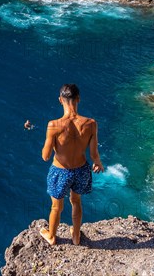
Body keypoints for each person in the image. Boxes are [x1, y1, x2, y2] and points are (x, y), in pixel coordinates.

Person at [39, 84, 104, 246]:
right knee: (76, 201)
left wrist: (54, 143)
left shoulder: (53, 125)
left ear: (60, 100)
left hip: (60, 171)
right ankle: (75, 235)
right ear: (78, 99)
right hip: (81, 169)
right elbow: (94, 153)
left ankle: (52, 236)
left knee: (56, 206)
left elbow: (45, 156)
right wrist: (98, 163)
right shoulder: (91, 124)